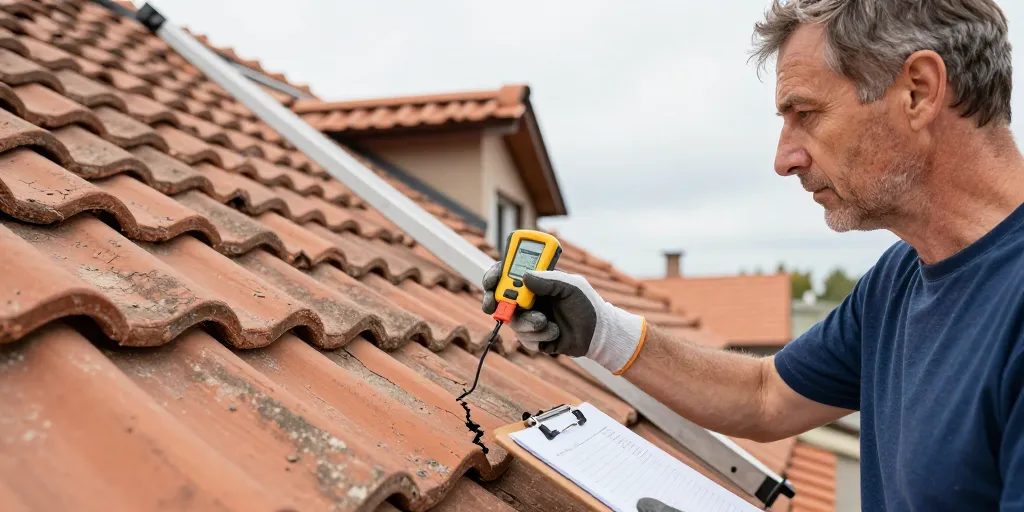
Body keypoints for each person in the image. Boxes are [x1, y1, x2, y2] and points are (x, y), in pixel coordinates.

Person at [481, 0, 1024, 510]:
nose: (784, 159)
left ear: (919, 92)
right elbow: (767, 396)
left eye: (805, 114)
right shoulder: (899, 279)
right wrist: (604, 331)